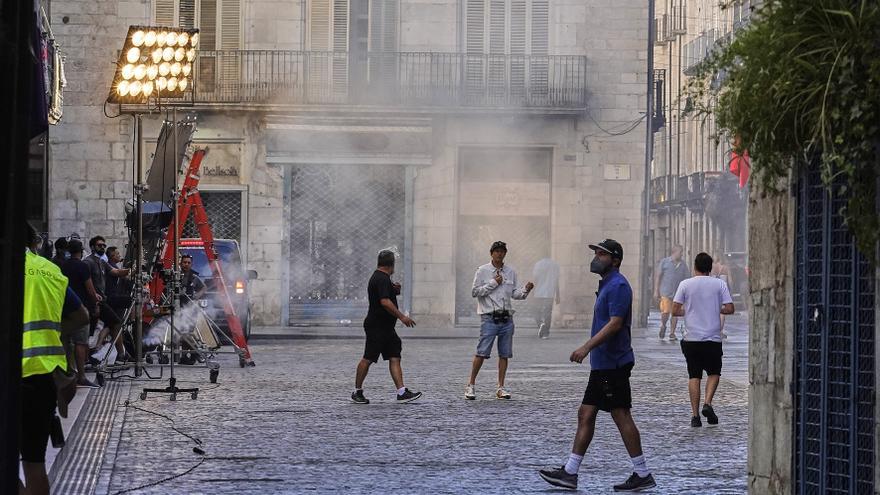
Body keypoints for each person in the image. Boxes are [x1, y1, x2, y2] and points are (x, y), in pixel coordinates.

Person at [539, 239, 656, 492]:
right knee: (586, 413)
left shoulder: (618, 286)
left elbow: (615, 323)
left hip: (613, 363)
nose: (596, 257)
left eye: (602, 254)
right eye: (596, 253)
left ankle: (642, 473)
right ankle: (570, 472)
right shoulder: (607, 285)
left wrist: (586, 347)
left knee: (621, 414)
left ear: (615, 260)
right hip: (603, 363)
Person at [20, 222, 87, 495]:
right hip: (45, 378)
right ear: (35, 243)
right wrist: (55, 331)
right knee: (34, 463)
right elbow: (82, 316)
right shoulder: (50, 270)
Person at [351, 250, 422, 404]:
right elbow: (384, 302)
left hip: (386, 327)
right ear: (391, 264)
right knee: (368, 358)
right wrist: (402, 317)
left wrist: (394, 290)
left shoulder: (381, 278)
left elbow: (385, 295)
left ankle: (401, 392)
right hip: (377, 326)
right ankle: (357, 391)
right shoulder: (382, 278)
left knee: (395, 355)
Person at [465, 241, 534, 400]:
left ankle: (501, 387)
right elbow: (475, 292)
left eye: (502, 251)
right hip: (489, 317)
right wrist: (493, 283)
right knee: (481, 353)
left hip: (506, 318)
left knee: (504, 354)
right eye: (496, 251)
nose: (499, 254)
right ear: (491, 253)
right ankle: (471, 385)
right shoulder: (482, 271)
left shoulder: (511, 272)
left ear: (505, 253)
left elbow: (515, 294)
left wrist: (526, 290)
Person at [672, 253, 735, 427]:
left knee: (694, 375)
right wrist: (715, 309)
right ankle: (707, 403)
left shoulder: (685, 284)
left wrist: (689, 311)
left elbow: (675, 310)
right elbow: (730, 308)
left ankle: (695, 416)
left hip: (691, 338)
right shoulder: (719, 284)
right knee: (714, 372)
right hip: (712, 338)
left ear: (695, 267)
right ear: (710, 268)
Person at [60, 239, 101, 388]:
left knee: (66, 341)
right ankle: (81, 376)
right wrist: (96, 302)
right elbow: (90, 289)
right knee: (80, 342)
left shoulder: (63, 265)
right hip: (79, 308)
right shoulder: (82, 266)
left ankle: (69, 373)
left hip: (64, 307)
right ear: (81, 251)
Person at [84, 236, 130, 362]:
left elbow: (116, 272)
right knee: (89, 331)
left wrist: (131, 270)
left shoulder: (102, 262)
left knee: (114, 322)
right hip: (93, 302)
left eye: (104, 245)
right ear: (92, 247)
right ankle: (87, 358)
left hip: (101, 301)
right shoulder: (88, 262)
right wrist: (94, 298)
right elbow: (86, 282)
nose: (102, 247)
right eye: (99, 245)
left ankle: (121, 354)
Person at [654, 245, 689, 340]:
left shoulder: (683, 265)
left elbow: (687, 279)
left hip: (678, 292)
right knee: (665, 311)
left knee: (675, 313)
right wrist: (656, 290)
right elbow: (658, 276)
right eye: (680, 252)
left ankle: (672, 333)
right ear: (674, 252)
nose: (682, 254)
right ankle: (663, 325)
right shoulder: (665, 262)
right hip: (666, 291)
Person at [532, 257, 561, 339]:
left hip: (538, 293)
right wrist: (558, 295)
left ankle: (541, 325)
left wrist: (532, 291)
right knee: (548, 313)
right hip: (550, 293)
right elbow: (556, 281)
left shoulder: (538, 264)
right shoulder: (555, 265)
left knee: (536, 311)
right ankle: (545, 332)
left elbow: (535, 279)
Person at [711, 253, 732, 339]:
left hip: (713, 290)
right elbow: (730, 281)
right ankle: (720, 331)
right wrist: (731, 290)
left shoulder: (712, 267)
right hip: (723, 290)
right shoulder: (726, 268)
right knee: (722, 312)